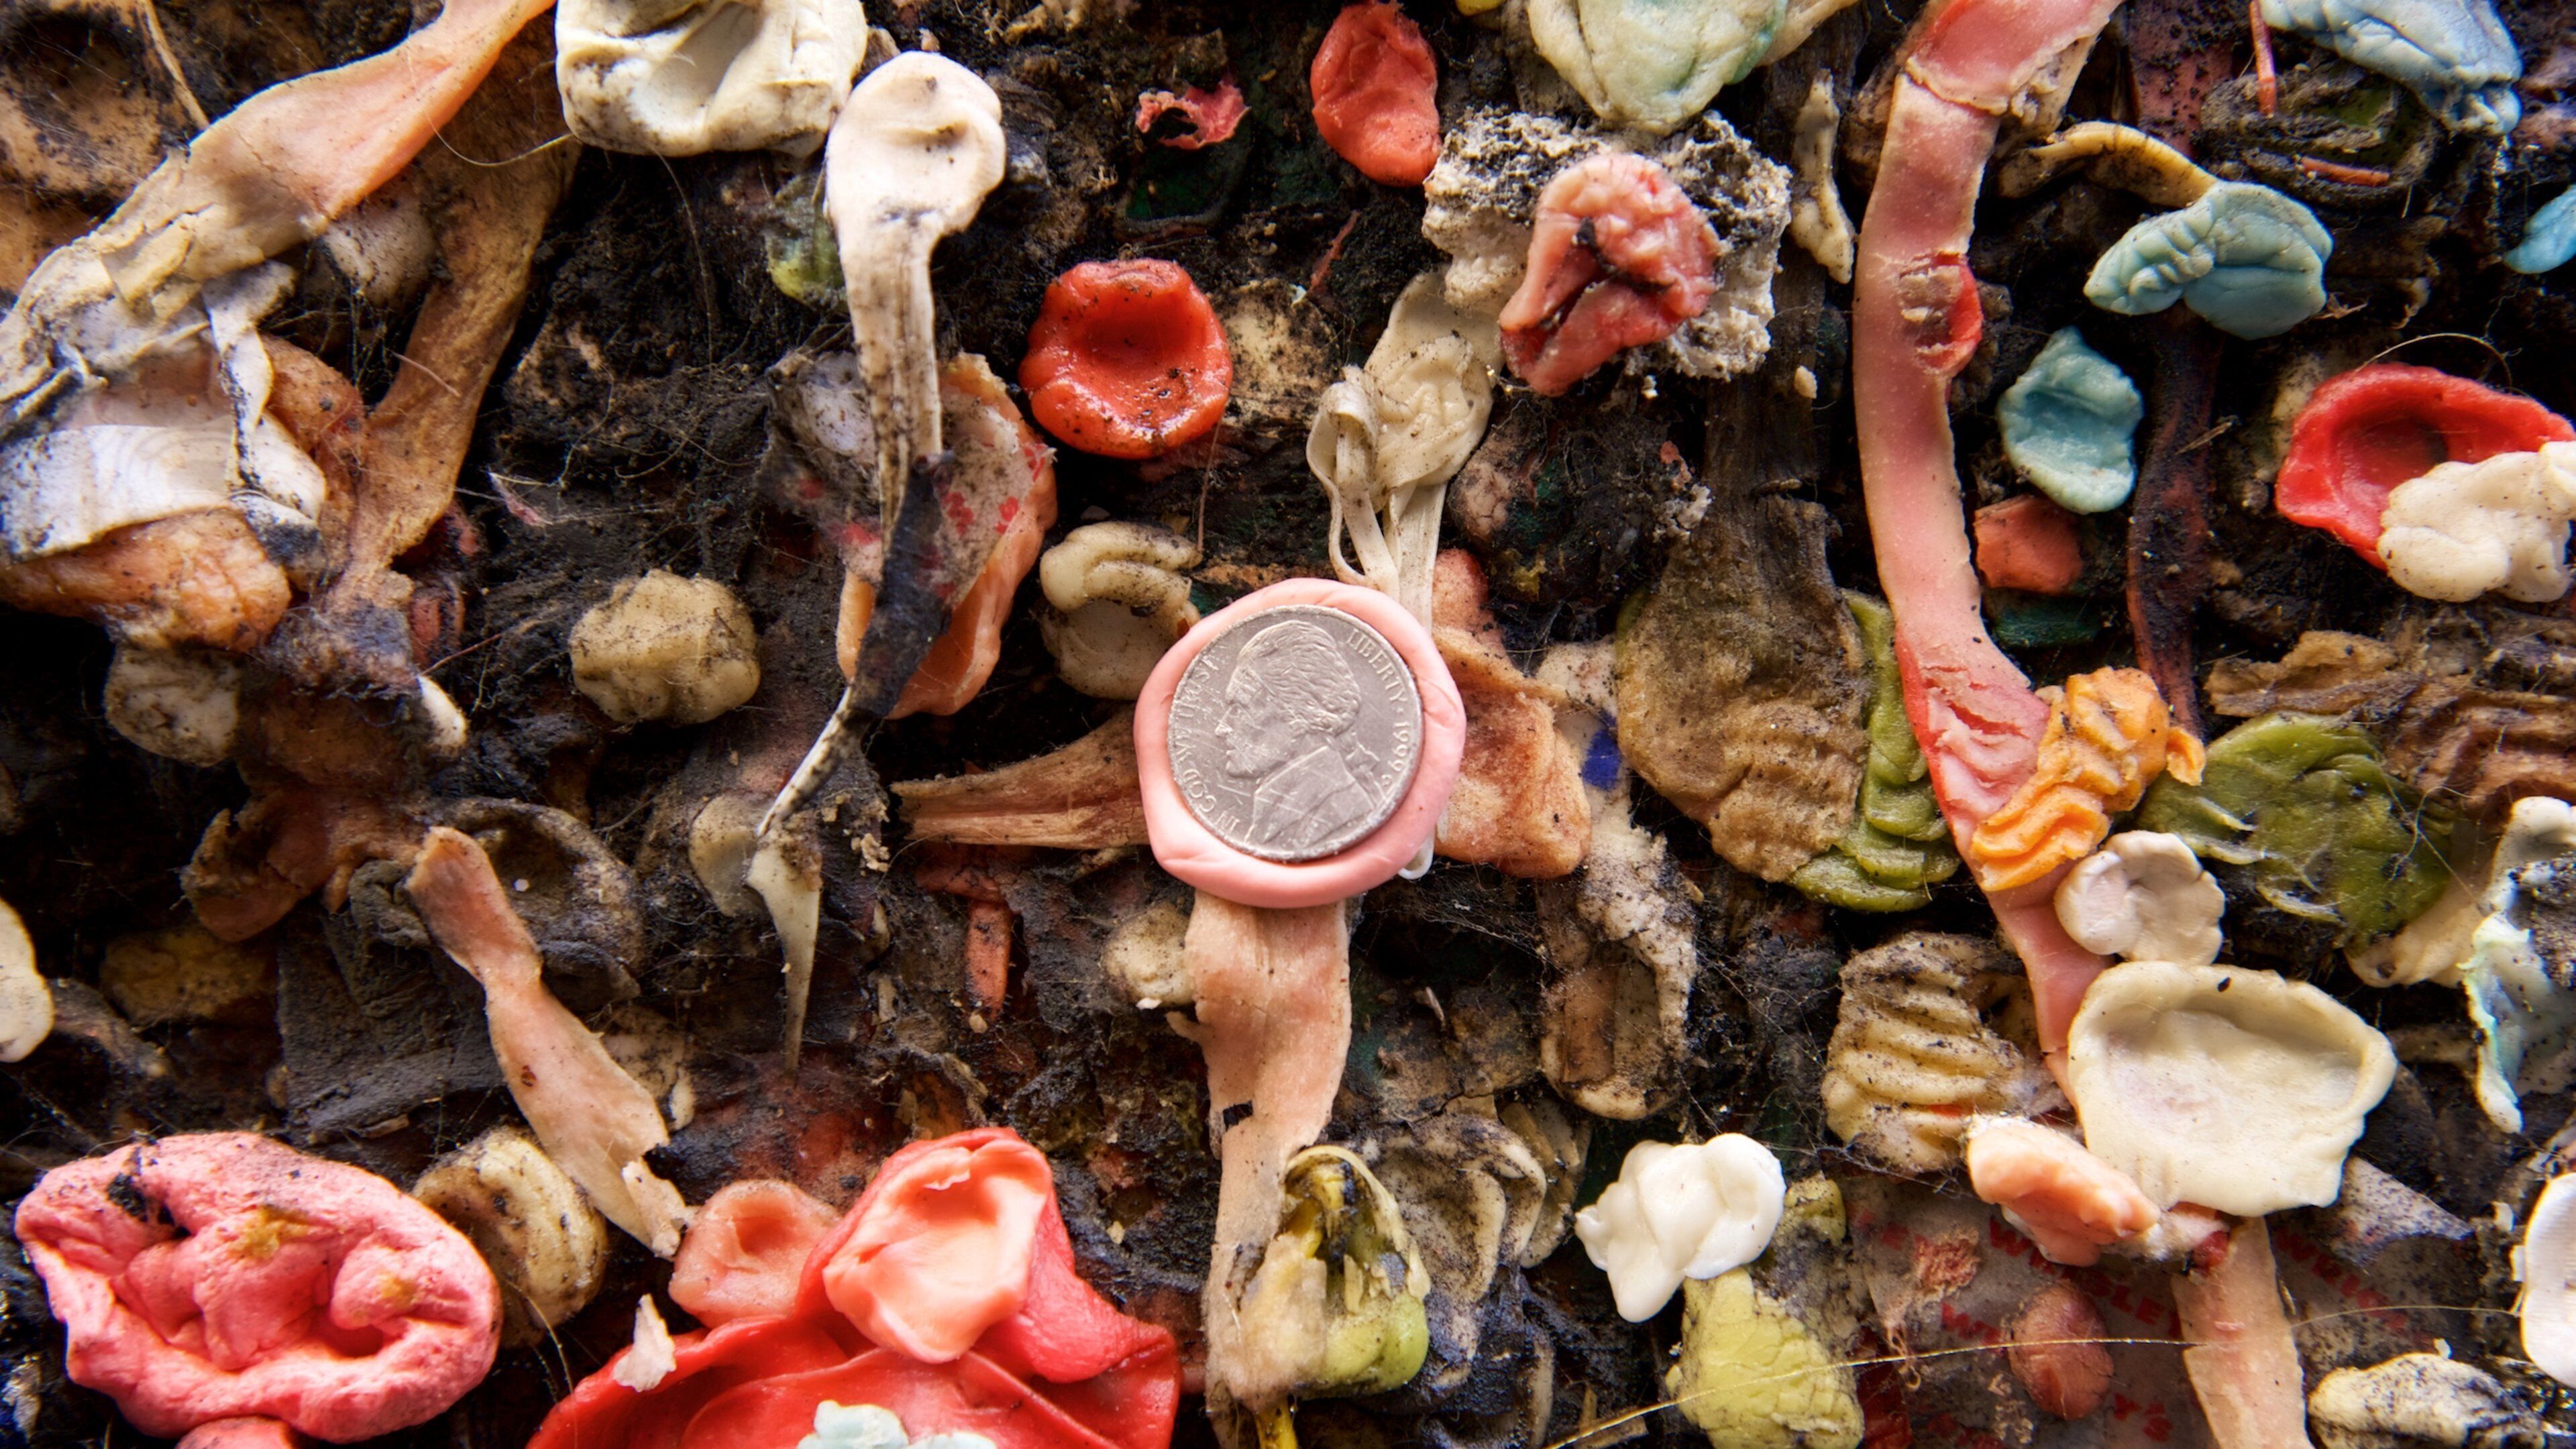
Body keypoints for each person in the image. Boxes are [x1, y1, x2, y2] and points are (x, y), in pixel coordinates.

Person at [1215, 619, 1387, 857]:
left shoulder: (1339, 812)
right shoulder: (1283, 805)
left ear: (1299, 714)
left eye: (1240, 708)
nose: (1221, 728)